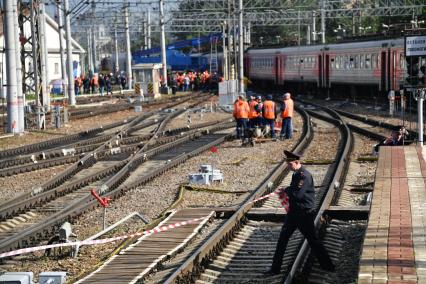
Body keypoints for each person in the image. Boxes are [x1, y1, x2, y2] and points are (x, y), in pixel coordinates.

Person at [264, 150, 335, 276]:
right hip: (293, 213)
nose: (288, 166)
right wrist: (287, 190)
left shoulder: (304, 176)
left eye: (290, 164)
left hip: (303, 214)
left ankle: (328, 265)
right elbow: (294, 191)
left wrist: (286, 189)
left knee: (313, 240)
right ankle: (275, 268)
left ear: (297, 162)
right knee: (282, 239)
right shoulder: (296, 174)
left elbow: (298, 194)